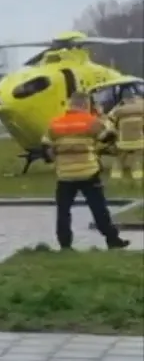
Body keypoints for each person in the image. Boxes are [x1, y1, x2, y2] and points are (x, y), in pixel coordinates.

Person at [43, 95, 129, 251]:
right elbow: (108, 139)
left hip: (65, 174)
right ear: (86, 104)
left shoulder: (55, 123)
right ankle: (112, 239)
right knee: (98, 208)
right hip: (88, 172)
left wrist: (57, 157)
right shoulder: (91, 122)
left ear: (70, 105)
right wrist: (103, 118)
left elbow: (46, 149)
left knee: (63, 211)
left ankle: (65, 244)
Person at [108, 84, 144, 181]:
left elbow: (110, 118)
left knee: (119, 160)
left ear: (124, 100)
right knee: (137, 161)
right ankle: (138, 180)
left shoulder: (119, 110)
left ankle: (115, 179)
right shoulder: (141, 108)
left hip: (123, 142)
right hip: (139, 141)